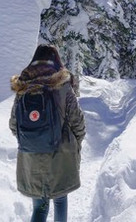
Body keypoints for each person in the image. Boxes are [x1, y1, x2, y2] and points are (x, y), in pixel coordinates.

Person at [9, 44, 86, 222]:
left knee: (40, 206)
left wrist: (32, 139)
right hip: (60, 153)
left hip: (31, 154)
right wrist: (76, 142)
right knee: (60, 199)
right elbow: (76, 120)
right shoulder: (63, 85)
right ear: (56, 60)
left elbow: (14, 124)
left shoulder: (23, 86)